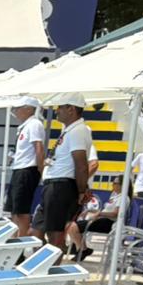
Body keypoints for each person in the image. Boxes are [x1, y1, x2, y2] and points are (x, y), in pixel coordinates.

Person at [35, 97, 94, 250]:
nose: (57, 110)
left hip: (61, 187)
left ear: (71, 109)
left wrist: (82, 191)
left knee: (55, 237)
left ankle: (53, 264)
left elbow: (81, 164)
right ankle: (45, 262)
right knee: (37, 231)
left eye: (60, 107)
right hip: (54, 186)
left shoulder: (78, 131)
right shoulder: (70, 130)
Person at [4, 99, 46, 238]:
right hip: (20, 169)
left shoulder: (34, 124)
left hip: (27, 169)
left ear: (29, 109)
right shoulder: (25, 126)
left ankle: (21, 241)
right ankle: (15, 238)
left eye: (18, 108)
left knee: (21, 211)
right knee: (14, 210)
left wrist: (41, 170)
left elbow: (39, 148)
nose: (15, 111)